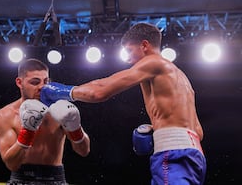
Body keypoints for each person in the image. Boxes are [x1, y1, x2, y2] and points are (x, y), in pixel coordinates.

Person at [40, 23, 207, 185]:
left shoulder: (153, 63)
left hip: (173, 155)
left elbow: (100, 90)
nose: (128, 58)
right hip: (194, 156)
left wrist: (63, 91)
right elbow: (198, 132)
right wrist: (157, 131)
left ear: (144, 45)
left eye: (129, 50)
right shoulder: (180, 77)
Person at [0, 58, 90, 185]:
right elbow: (12, 164)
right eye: (35, 82)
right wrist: (27, 131)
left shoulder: (60, 109)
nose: (41, 87)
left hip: (56, 179)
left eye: (46, 82)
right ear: (19, 82)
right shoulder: (5, 115)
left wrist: (75, 128)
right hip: (21, 179)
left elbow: (83, 151)